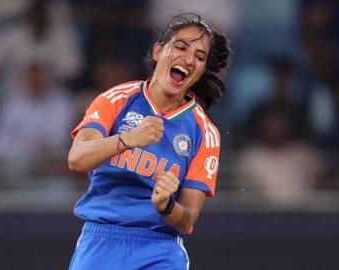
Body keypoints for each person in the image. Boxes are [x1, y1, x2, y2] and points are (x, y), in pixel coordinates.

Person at [67, 13, 231, 269]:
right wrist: (128, 139)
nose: (188, 59)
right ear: (158, 51)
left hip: (160, 249)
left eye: (200, 57)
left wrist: (166, 205)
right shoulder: (117, 99)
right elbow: (77, 158)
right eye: (180, 47)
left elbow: (187, 219)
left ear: (199, 73)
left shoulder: (204, 131)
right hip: (100, 240)